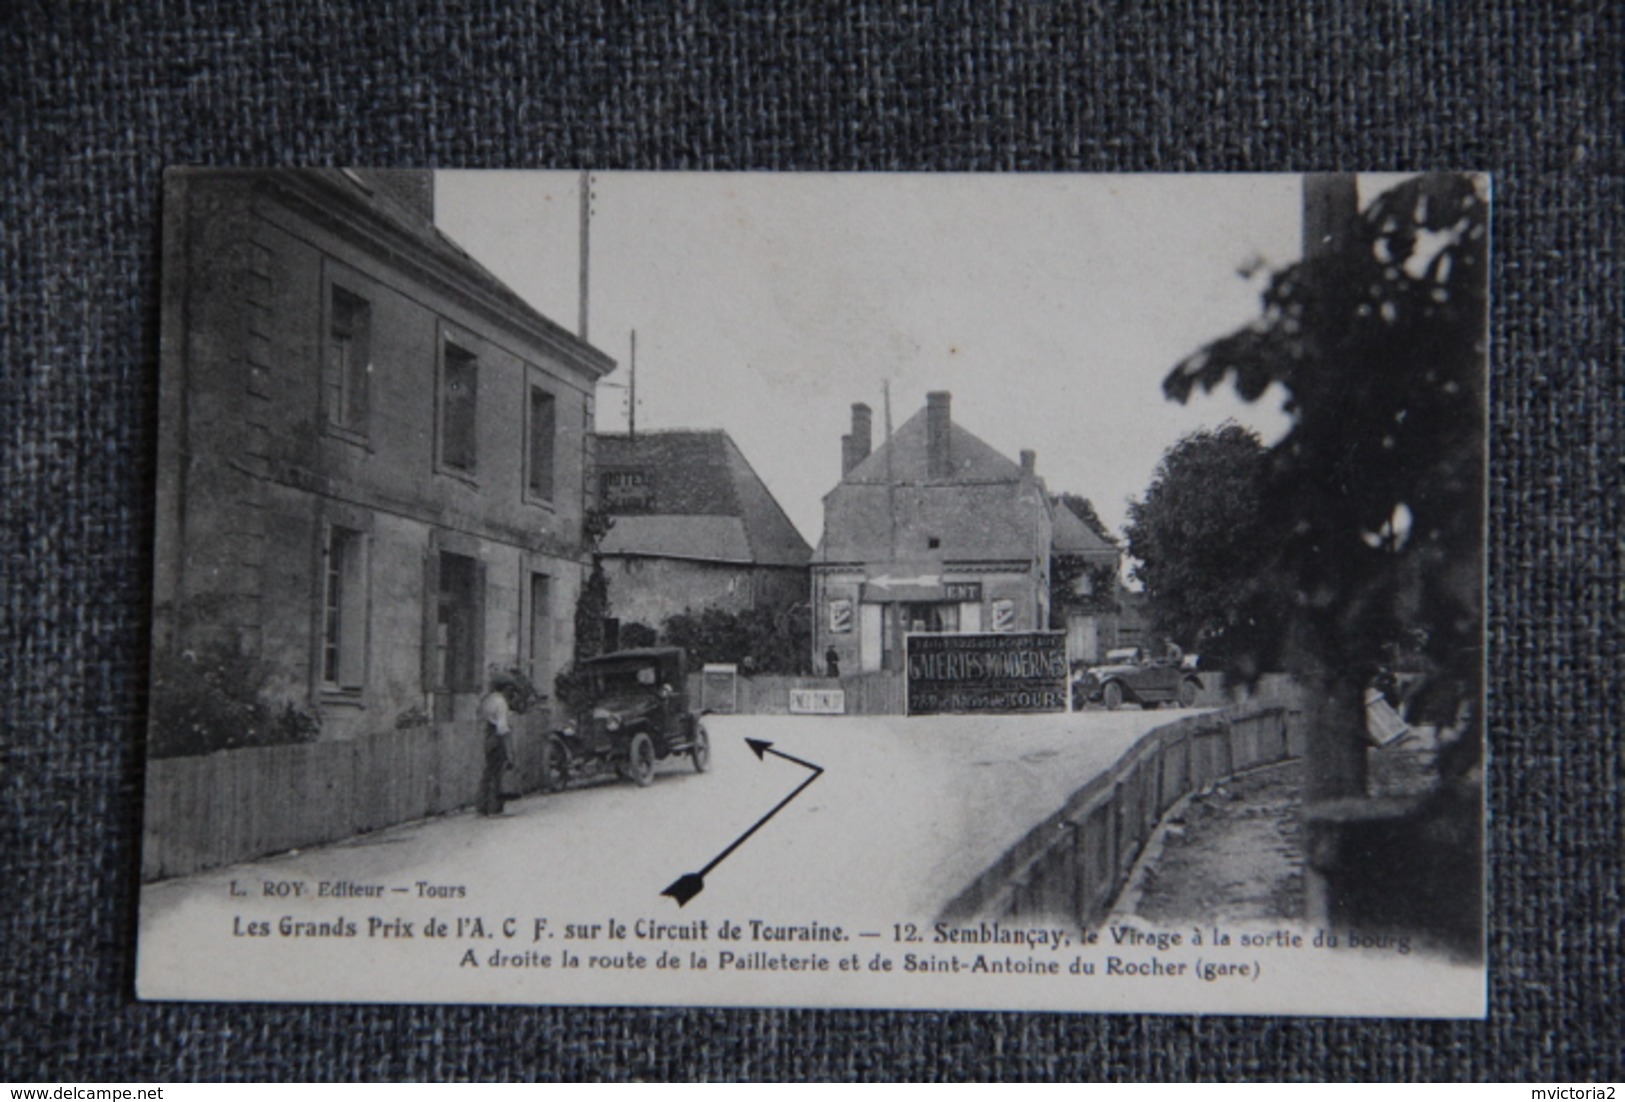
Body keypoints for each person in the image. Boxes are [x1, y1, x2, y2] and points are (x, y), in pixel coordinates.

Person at [476, 673, 519, 816]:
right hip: (497, 736)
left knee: (489, 771)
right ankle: (494, 806)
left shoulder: (488, 699)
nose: (511, 692)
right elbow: (502, 727)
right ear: (504, 688)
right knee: (498, 772)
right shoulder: (501, 702)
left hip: (488, 735)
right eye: (510, 688)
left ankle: (483, 805)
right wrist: (509, 750)